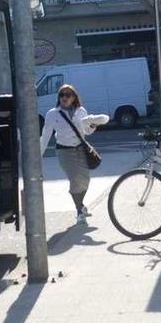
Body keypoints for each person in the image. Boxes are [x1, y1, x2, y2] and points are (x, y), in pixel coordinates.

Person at [39, 84, 108, 223]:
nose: (64, 97)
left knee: (85, 181)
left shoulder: (81, 111)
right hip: (64, 151)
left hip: (81, 149)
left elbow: (87, 132)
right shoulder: (52, 114)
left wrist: (93, 124)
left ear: (74, 98)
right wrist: (38, 155)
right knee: (75, 180)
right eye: (61, 95)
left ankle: (80, 205)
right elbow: (45, 135)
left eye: (67, 95)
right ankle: (79, 211)